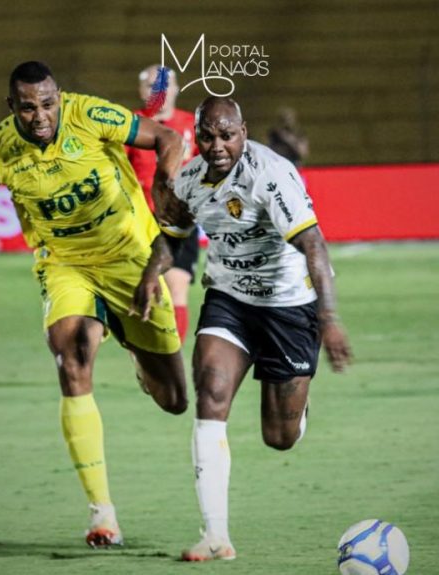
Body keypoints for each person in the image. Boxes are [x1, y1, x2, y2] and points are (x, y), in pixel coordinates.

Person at [0, 61, 189, 546]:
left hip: (131, 258)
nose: (40, 115)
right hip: (65, 265)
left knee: (174, 400)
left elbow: (167, 138)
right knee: (72, 355)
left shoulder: (92, 115)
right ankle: (103, 515)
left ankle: (138, 356)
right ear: (11, 107)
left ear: (59, 97)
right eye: (27, 107)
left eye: (47, 103)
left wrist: (164, 191)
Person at [149, 96, 353, 561]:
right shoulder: (190, 179)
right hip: (231, 299)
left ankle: (296, 410)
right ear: (196, 137)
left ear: (244, 131)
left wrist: (330, 321)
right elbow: (172, 240)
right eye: (207, 136)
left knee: (278, 438)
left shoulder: (271, 174)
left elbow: (314, 245)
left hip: (288, 305)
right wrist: (149, 276)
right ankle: (215, 535)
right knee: (211, 389)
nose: (217, 145)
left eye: (227, 135)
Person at [125, 65, 199, 342]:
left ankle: (173, 356)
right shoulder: (131, 126)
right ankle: (141, 350)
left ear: (177, 89)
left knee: (177, 286)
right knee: (144, 289)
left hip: (180, 220)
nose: (161, 92)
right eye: (153, 86)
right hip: (142, 222)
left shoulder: (193, 124)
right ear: (142, 92)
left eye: (166, 86)